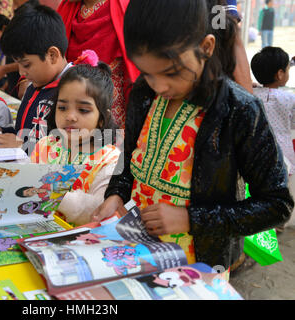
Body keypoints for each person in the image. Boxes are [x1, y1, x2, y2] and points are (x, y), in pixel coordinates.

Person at [91, 0, 293, 272]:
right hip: (134, 253)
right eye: (148, 73)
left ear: (206, 48)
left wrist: (191, 219)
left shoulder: (239, 111)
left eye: (171, 72)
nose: (159, 86)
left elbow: (276, 204)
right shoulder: (143, 92)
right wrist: (116, 193)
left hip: (201, 267)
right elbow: (131, 157)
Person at [0, 3, 72, 154]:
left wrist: (22, 146)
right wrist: (2, 131)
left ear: (52, 55)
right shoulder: (35, 86)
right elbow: (28, 132)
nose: (22, 73)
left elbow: (71, 152)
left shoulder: (74, 93)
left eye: (26, 64)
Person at [30, 54, 121, 225]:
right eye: (62, 107)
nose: (70, 116)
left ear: (102, 118)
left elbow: (97, 210)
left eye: (83, 110)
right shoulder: (46, 146)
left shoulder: (110, 160)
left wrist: (52, 193)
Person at [57, 0, 140, 129]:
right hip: (71, 97)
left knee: (106, 144)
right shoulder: (67, 7)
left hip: (111, 99)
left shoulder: (123, 6)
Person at [251, 47, 295, 230]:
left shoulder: (250, 95)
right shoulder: (289, 98)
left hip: (256, 153)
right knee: (281, 189)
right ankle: (278, 223)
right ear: (279, 74)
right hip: (283, 154)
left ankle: (260, 223)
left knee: (259, 190)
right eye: (288, 69)